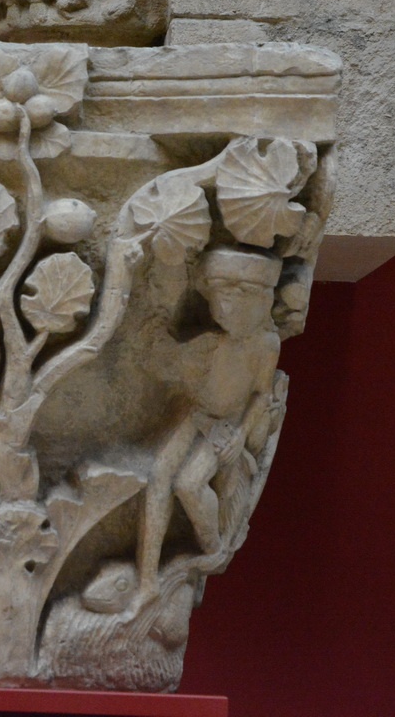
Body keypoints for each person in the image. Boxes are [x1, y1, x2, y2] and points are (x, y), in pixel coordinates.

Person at [137, 246, 282, 602]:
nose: (224, 310)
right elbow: (168, 362)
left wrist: (241, 435)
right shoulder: (210, 343)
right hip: (197, 417)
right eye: (218, 299)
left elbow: (262, 394)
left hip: (225, 426)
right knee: (157, 474)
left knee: (188, 484)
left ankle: (213, 548)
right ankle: (147, 579)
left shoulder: (265, 345)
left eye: (235, 299)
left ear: (259, 301)